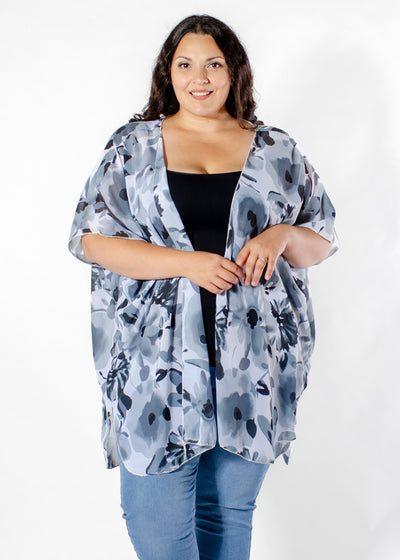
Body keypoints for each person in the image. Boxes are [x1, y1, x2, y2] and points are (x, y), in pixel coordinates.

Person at [68, 14, 337, 560]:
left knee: (226, 514)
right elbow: (91, 240)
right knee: (156, 524)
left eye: (214, 64)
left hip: (252, 364)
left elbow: (321, 241)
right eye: (185, 64)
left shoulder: (276, 149)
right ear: (167, 73)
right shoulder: (134, 147)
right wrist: (185, 264)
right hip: (154, 366)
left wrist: (283, 234)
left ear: (234, 71)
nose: (200, 78)